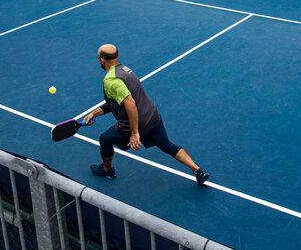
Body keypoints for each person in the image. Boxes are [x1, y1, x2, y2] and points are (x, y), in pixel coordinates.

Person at [83, 44, 210, 184]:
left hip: (133, 124)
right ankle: (198, 170)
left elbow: (129, 102)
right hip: (152, 116)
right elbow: (117, 102)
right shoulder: (125, 70)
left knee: (105, 139)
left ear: (102, 60)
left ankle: (107, 170)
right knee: (166, 145)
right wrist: (93, 113)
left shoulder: (110, 80)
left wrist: (135, 133)